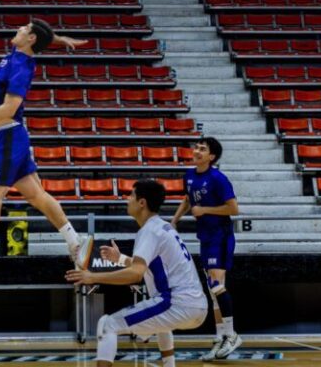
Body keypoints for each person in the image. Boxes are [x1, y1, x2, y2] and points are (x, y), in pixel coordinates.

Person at [0, 18, 92, 281]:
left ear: (30, 38)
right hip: (9, 136)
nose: (18, 29)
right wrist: (57, 39)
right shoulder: (17, 53)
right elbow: (39, 37)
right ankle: (75, 243)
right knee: (37, 195)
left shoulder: (21, 66)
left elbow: (10, 109)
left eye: (24, 28)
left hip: (7, 135)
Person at [66, 179, 208, 367]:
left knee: (108, 324)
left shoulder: (149, 231)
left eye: (131, 195)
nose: (127, 199)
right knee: (160, 320)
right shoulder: (163, 227)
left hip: (177, 303)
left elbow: (136, 274)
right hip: (198, 305)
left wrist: (92, 277)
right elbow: (146, 265)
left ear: (142, 202)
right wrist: (120, 259)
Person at [171, 137, 241, 360]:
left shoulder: (218, 178)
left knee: (216, 286)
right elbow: (188, 199)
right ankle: (220, 337)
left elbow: (234, 209)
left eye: (202, 149)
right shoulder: (190, 175)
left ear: (211, 157)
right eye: (196, 147)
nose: (197, 151)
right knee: (213, 292)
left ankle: (231, 335)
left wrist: (205, 210)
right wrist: (175, 220)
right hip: (205, 237)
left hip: (220, 236)